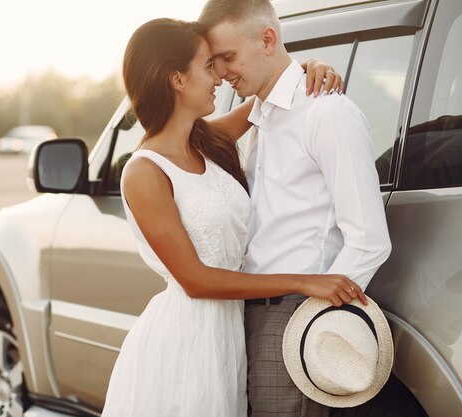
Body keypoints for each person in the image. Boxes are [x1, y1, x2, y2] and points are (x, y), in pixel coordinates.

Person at [101, 18, 364, 417]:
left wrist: (310, 67)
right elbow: (195, 279)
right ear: (176, 78)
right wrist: (305, 281)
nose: (220, 77)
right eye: (209, 66)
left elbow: (273, 94)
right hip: (185, 339)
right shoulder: (144, 172)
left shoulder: (206, 141)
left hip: (229, 332)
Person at [198, 0, 392, 416]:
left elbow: (370, 239)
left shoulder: (326, 113)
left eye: (228, 57)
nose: (222, 73)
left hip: (293, 315)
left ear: (268, 39)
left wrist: (313, 320)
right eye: (213, 62)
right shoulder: (260, 115)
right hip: (246, 316)